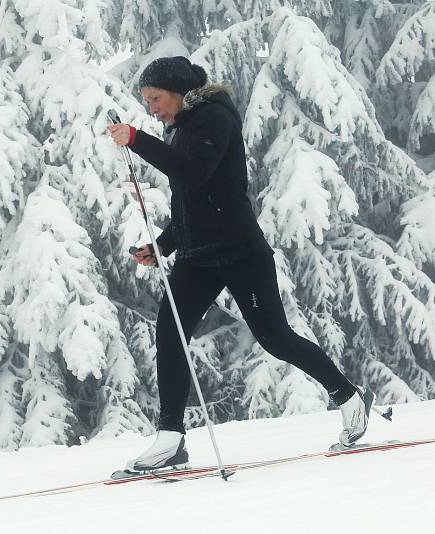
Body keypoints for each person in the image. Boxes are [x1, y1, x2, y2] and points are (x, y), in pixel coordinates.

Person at [107, 56, 373, 471]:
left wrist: (138, 140)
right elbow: (189, 201)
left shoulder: (214, 117)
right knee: (171, 332)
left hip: (239, 250)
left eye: (155, 98)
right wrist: (163, 244)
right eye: (147, 101)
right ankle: (170, 438)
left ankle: (350, 398)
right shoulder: (179, 129)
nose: (152, 108)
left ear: (178, 90)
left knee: (275, 338)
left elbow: (194, 174)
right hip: (198, 258)